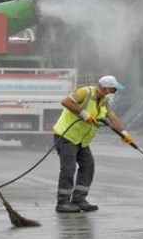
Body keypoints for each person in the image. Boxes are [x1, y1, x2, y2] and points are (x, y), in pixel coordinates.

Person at [52, 75, 134, 213]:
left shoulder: (104, 102)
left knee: (88, 166)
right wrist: (83, 113)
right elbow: (66, 102)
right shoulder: (84, 92)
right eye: (113, 90)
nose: (114, 93)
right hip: (66, 136)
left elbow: (113, 118)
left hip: (82, 141)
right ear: (105, 88)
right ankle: (63, 202)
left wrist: (124, 133)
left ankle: (79, 199)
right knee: (68, 169)